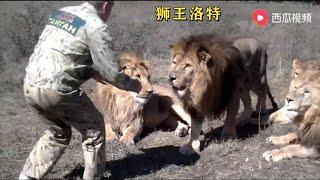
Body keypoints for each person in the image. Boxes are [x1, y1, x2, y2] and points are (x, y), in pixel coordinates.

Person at [19, 1, 142, 179]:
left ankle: (27, 176)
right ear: (106, 5)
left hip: (30, 84)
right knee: (95, 129)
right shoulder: (96, 26)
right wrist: (135, 85)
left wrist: (90, 71)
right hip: (57, 90)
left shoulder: (63, 13)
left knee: (58, 132)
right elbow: (112, 72)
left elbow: (63, 53)